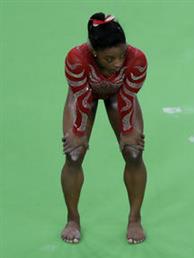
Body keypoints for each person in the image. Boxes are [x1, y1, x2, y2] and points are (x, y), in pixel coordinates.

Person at [61, 12, 148, 244]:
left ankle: (135, 218)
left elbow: (128, 96)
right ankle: (72, 218)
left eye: (121, 55)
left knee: (134, 153)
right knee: (74, 155)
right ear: (94, 51)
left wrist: (128, 130)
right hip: (85, 94)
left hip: (119, 95)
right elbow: (80, 96)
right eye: (110, 59)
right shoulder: (76, 59)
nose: (118, 63)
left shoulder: (137, 59)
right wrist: (78, 133)